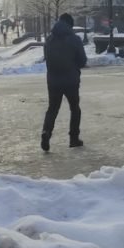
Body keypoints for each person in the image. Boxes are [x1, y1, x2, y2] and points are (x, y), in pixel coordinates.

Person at [40, 13, 87, 151]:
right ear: (70, 25)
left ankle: (46, 132)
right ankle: (73, 138)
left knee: (52, 109)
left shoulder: (49, 40)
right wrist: (74, 67)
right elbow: (82, 60)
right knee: (75, 109)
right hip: (71, 80)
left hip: (53, 81)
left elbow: (47, 58)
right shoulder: (75, 39)